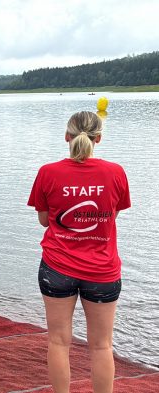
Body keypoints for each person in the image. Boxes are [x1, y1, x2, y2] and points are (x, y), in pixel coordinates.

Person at [28, 111, 130, 393]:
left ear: (67, 137)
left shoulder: (48, 172)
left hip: (57, 268)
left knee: (59, 342)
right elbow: (111, 217)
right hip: (103, 270)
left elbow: (44, 220)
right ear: (99, 138)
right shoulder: (116, 173)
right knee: (101, 345)